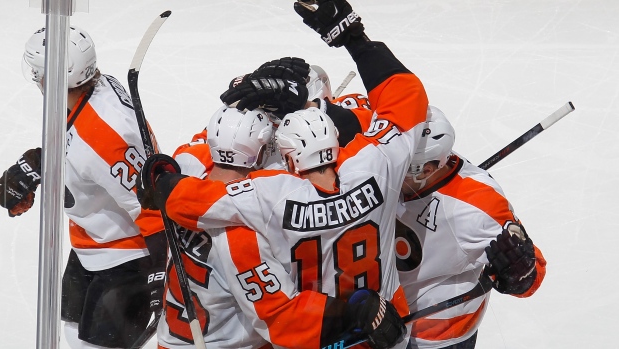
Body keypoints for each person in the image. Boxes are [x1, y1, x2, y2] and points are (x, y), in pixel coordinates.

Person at [137, 0, 431, 347]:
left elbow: (199, 198)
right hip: (383, 329)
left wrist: (163, 183)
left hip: (309, 333)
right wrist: (354, 38)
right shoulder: (376, 162)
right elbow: (405, 103)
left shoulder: (268, 192)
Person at [152, 105, 408, 349]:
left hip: (171, 338)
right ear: (261, 153)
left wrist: (155, 173)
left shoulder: (184, 172)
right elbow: (281, 318)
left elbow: (204, 146)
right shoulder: (240, 227)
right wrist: (355, 315)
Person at [0, 26, 167, 348]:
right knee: (71, 332)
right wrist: (39, 163)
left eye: (37, 73)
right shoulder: (93, 89)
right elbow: (79, 144)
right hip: (92, 245)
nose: (36, 80)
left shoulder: (104, 134)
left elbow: (151, 204)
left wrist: (162, 271)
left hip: (128, 258)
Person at [395, 106, 547, 348]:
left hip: (435, 335)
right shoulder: (417, 159)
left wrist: (520, 273)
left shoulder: (478, 207)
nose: (390, 170)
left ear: (427, 169)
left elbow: (534, 273)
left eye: (400, 167)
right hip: (386, 314)